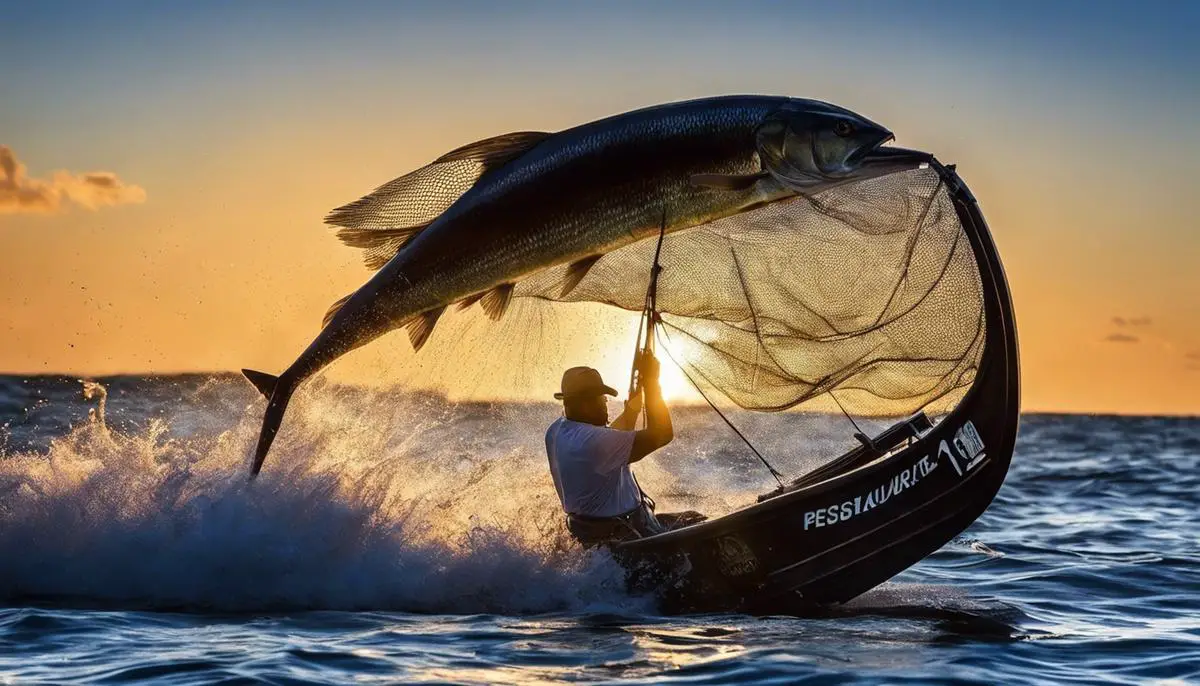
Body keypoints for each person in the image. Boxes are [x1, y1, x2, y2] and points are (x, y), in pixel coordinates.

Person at [545, 350, 705, 546]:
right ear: (585, 403)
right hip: (626, 537)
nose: (605, 405)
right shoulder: (593, 442)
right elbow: (662, 434)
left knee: (691, 518)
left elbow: (605, 443)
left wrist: (630, 413)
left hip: (591, 533)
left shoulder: (557, 431)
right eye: (602, 400)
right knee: (698, 524)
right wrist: (652, 384)